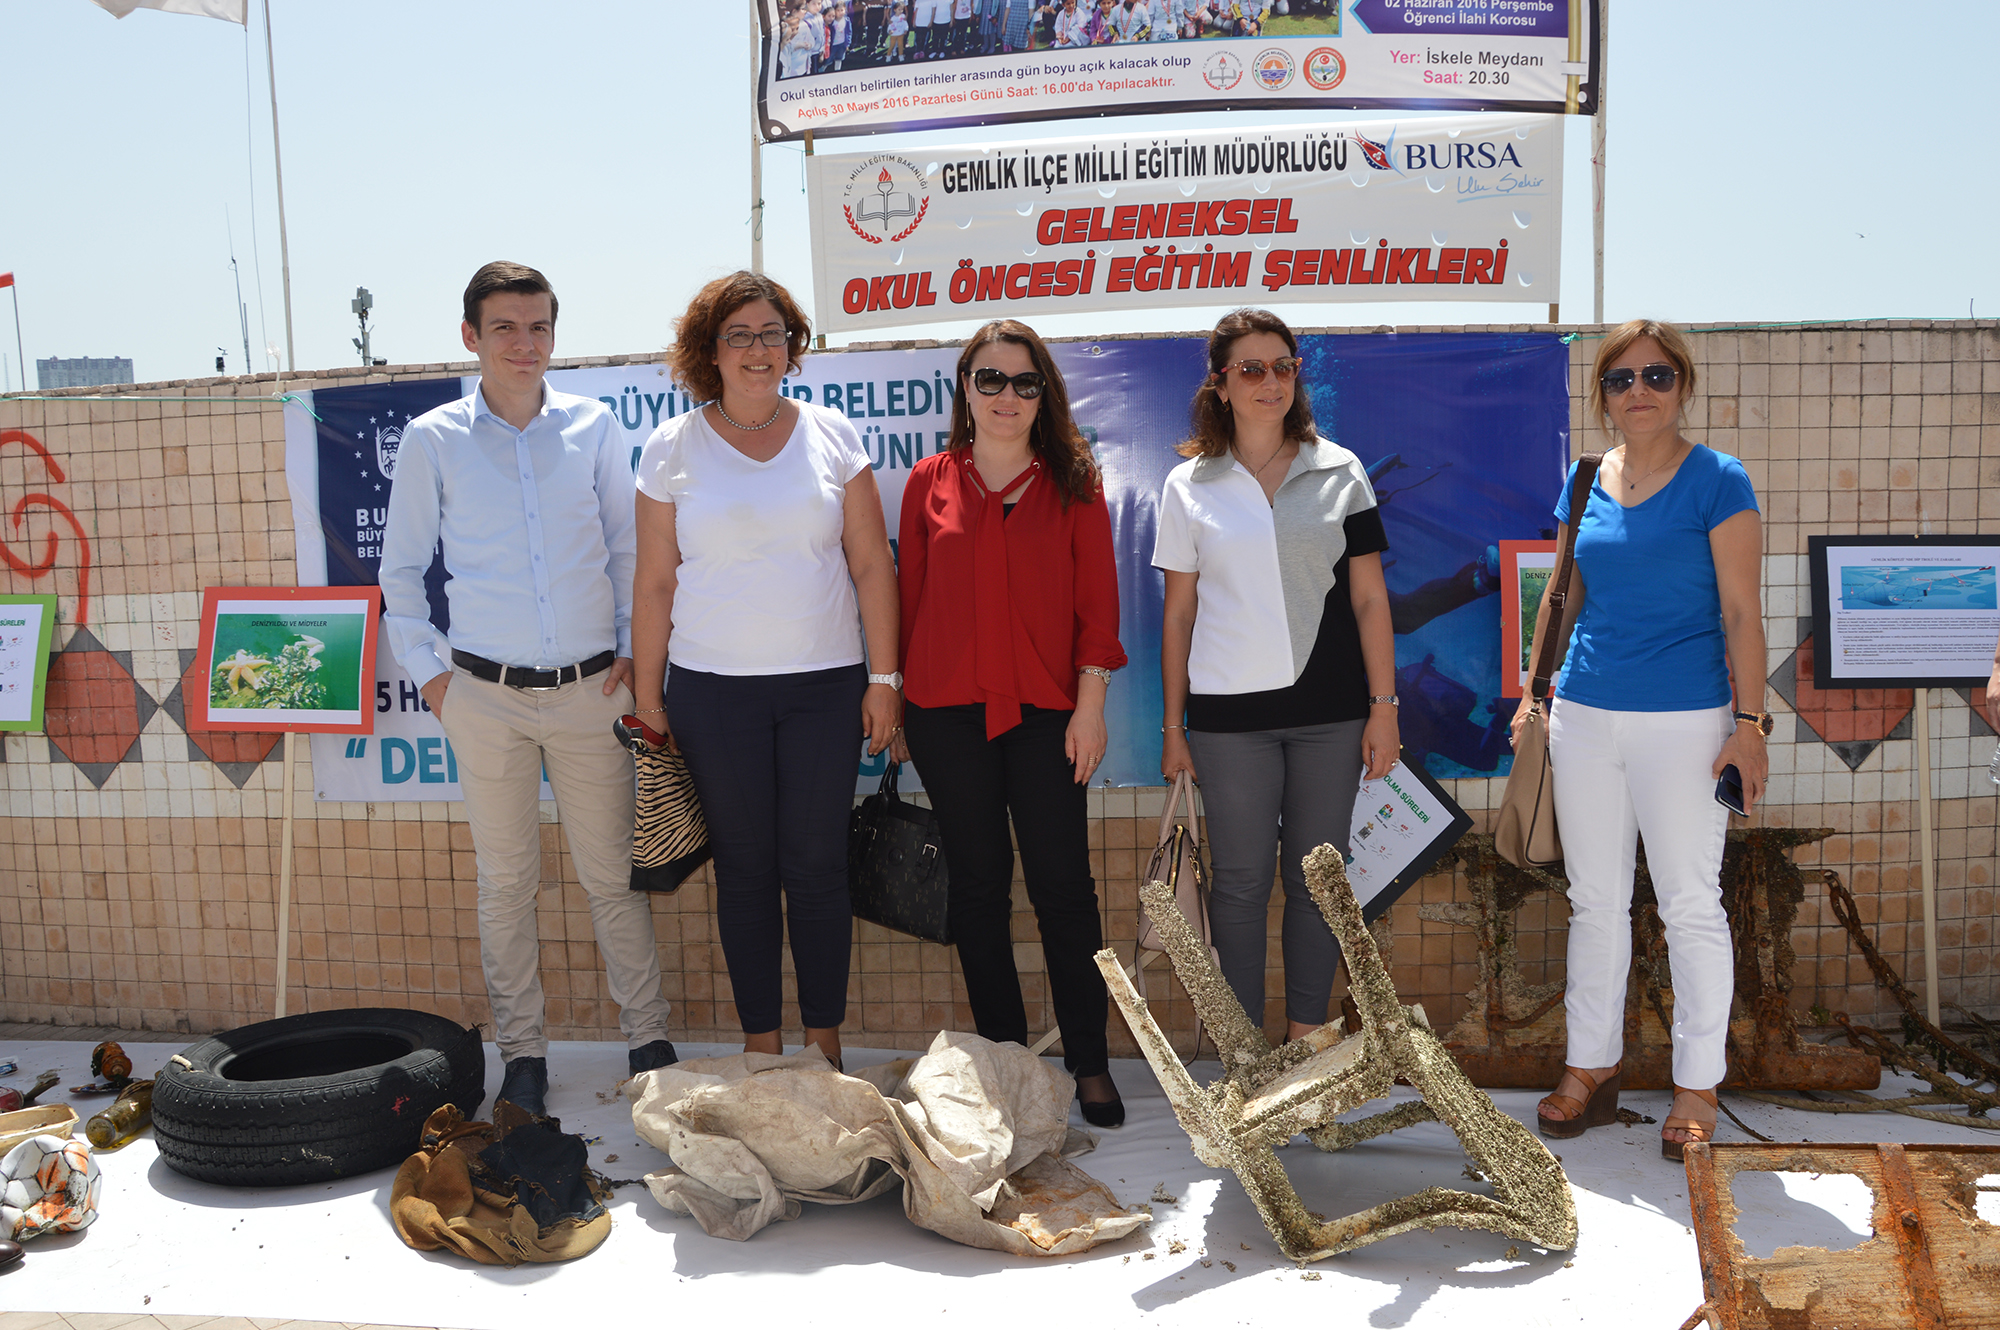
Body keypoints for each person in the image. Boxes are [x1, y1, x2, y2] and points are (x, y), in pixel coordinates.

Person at [380, 261, 679, 1117]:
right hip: (485, 697)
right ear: (471, 336)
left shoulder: (593, 427)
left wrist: (634, 654)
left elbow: (629, 549)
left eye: (538, 326)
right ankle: (523, 1055)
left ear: (554, 333)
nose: (524, 343)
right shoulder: (433, 438)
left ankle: (648, 1041)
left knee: (612, 878)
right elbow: (402, 573)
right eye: (505, 327)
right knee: (506, 884)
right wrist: (437, 680)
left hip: (593, 693)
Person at [1512, 318, 1768, 1162]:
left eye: (1657, 376)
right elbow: (1561, 599)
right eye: (1621, 379)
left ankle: (1698, 1085)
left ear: (1682, 385)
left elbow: (1743, 613)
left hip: (1687, 719)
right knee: (1594, 899)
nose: (1640, 391)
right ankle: (1590, 1065)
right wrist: (1534, 696)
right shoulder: (1585, 479)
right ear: (1604, 397)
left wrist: (1750, 726)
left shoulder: (1719, 479)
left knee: (1690, 903)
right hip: (1585, 715)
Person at [631, 272, 899, 1072]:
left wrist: (885, 680)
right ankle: (761, 1048)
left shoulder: (833, 435)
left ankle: (823, 1047)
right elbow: (654, 582)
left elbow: (872, 566)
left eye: (772, 333)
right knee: (745, 871)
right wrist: (649, 701)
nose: (758, 349)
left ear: (793, 346)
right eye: (739, 335)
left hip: (824, 686)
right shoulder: (670, 446)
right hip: (712, 693)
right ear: (708, 351)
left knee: (816, 867)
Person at [891, 319, 1129, 1127]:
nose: (1007, 396)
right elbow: (909, 600)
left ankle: (1089, 1061)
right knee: (978, 889)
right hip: (945, 713)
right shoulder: (927, 482)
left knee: (1064, 889)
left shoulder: (1074, 482)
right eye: (989, 379)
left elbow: (1098, 606)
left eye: (1025, 382)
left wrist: (1090, 706)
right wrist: (897, 697)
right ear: (965, 388)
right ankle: (1004, 1059)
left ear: (1044, 395)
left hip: (1048, 716)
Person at [1155, 308, 1399, 1044]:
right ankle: (1245, 1057)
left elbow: (1370, 598)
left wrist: (1384, 707)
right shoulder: (1187, 484)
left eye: (1284, 366)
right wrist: (1173, 728)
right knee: (1238, 884)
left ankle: (1305, 1046)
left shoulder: (1340, 470)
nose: (1271, 382)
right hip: (1229, 723)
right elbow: (1178, 615)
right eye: (1252, 368)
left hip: (1332, 715)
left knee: (1318, 882)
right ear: (1220, 383)